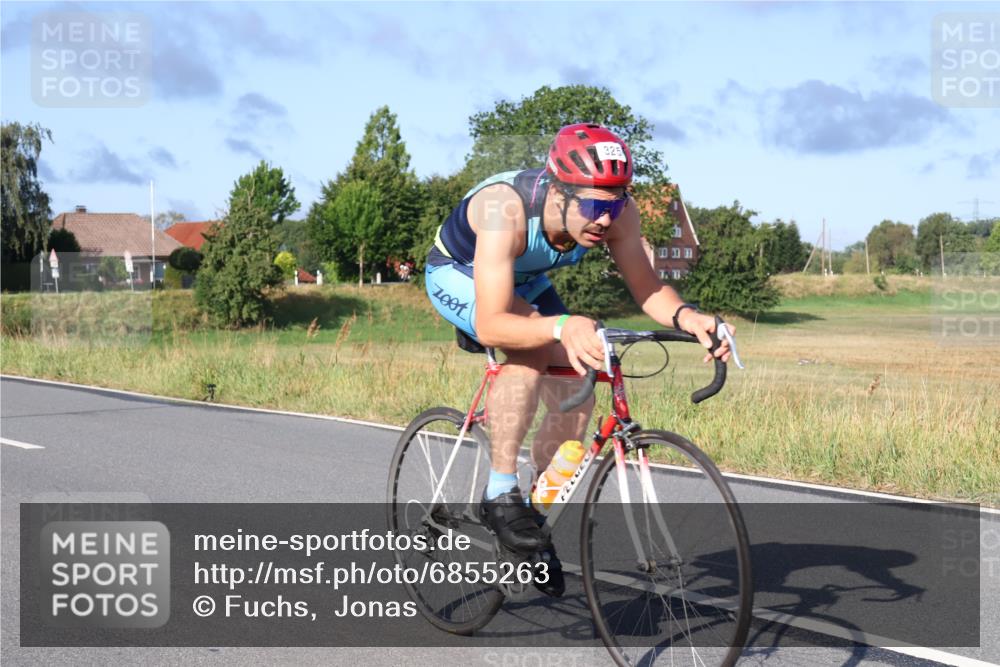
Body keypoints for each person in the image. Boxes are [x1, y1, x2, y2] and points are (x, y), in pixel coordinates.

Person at [424, 123, 735, 596]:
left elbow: (649, 289)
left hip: (525, 281)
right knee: (528, 352)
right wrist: (559, 326)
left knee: (578, 386)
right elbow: (491, 322)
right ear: (557, 191)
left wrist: (689, 317)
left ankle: (532, 513)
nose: (605, 220)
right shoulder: (502, 208)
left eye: (613, 205)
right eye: (593, 206)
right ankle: (499, 494)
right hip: (460, 274)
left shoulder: (618, 214)